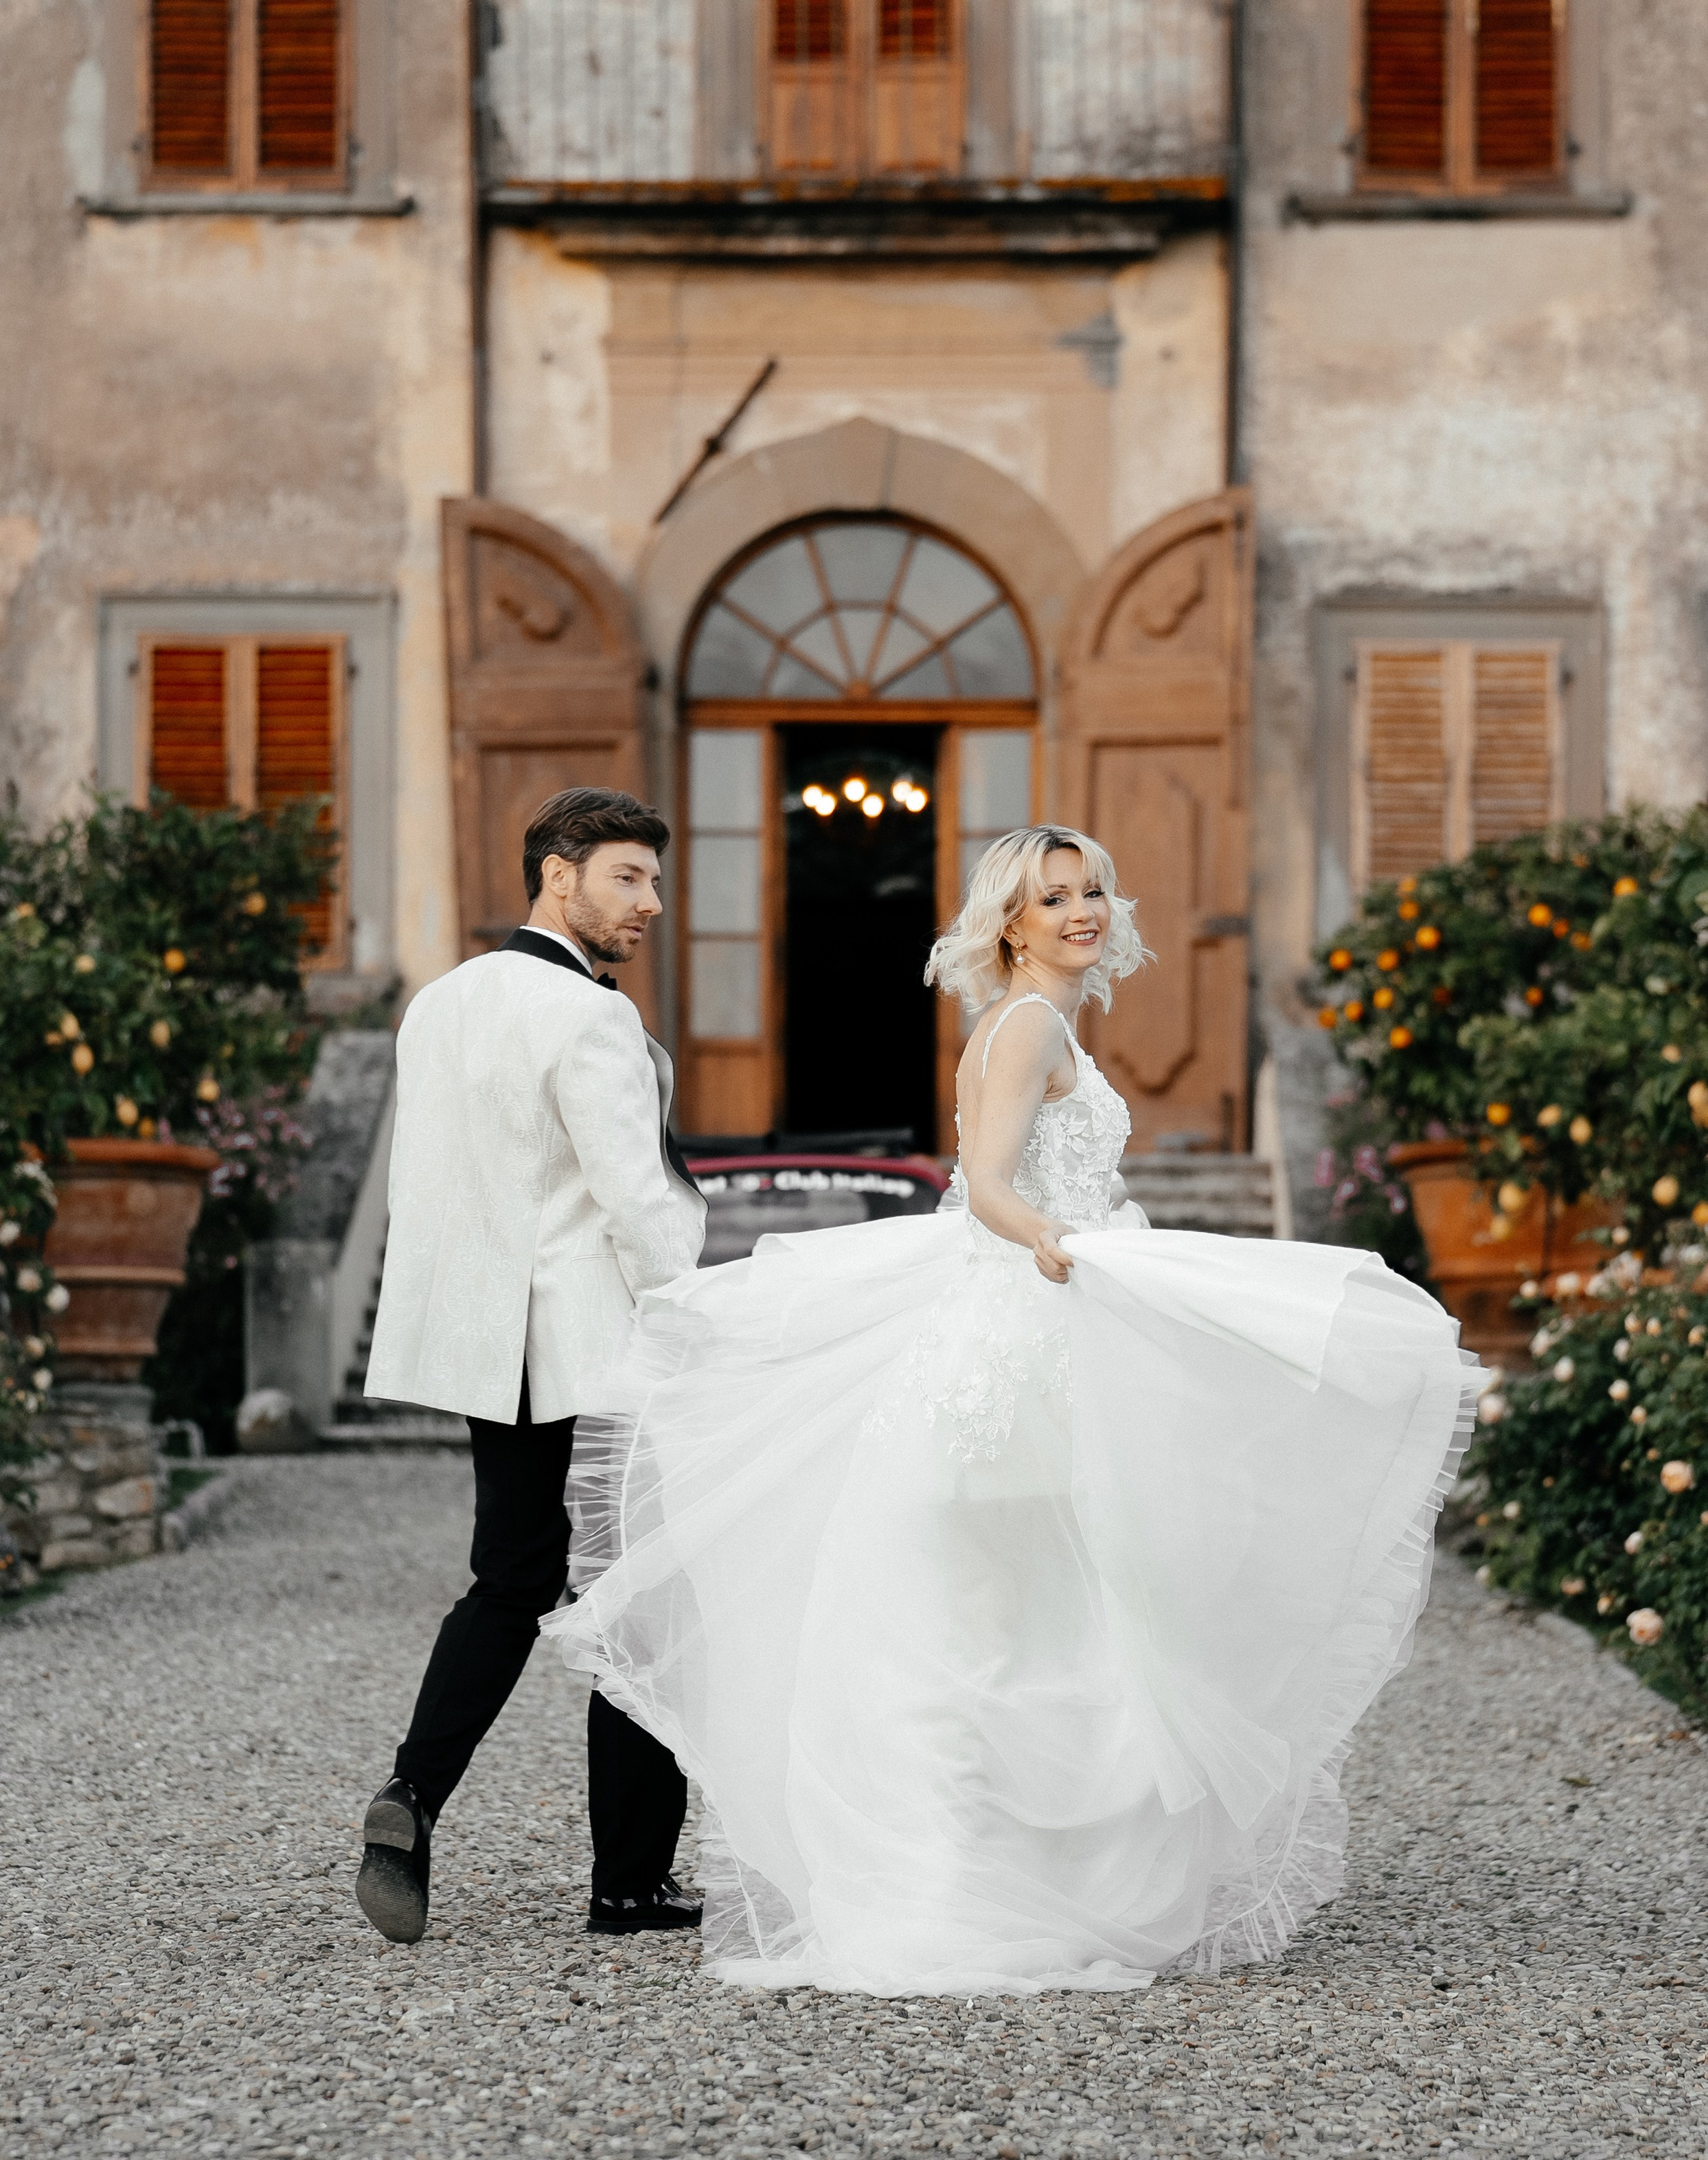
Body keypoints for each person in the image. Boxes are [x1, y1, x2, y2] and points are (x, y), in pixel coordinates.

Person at [543, 825, 1478, 1995]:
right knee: (1016, 1620)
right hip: (1020, 1334)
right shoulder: (1029, 1024)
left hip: (1038, 1316)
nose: (1082, 909)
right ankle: (969, 1895)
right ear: (1012, 925)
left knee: (1035, 1618)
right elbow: (983, 1185)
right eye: (1054, 897)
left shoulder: (1038, 1024)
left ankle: (996, 1881)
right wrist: (1053, 1239)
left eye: (1092, 889)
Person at [354, 788, 707, 1946]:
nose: (651, 903)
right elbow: (637, 1206)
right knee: (638, 1597)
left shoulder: (438, 1005)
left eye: (654, 881)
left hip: (487, 1345)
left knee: (508, 1580)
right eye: (627, 878)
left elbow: (437, 1186)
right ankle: (629, 1885)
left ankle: (411, 1794)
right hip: (597, 1349)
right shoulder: (590, 1017)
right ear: (558, 875)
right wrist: (690, 1308)